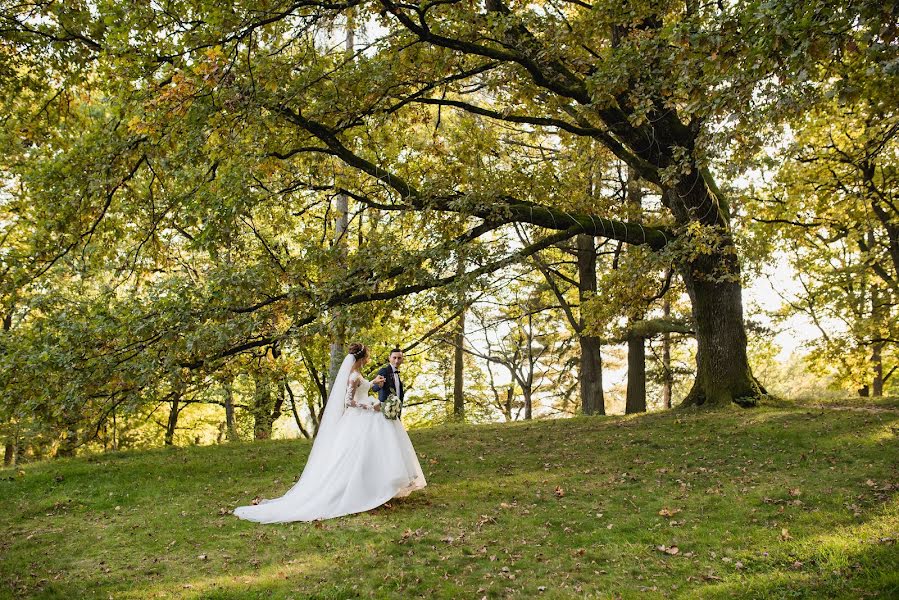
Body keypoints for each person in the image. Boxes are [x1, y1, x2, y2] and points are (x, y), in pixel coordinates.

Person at [233, 343, 426, 523]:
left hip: (367, 411)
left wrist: (373, 384)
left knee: (372, 451)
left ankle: (377, 486)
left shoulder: (357, 372)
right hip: (360, 415)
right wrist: (370, 408)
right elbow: (349, 402)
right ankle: (361, 490)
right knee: (355, 455)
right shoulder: (352, 376)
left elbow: (363, 388)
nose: (368, 358)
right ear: (361, 357)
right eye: (367, 356)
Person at [372, 347, 405, 418]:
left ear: (402, 359)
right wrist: (380, 385)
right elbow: (374, 388)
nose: (396, 361)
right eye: (394, 358)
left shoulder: (398, 375)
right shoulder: (384, 371)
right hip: (384, 411)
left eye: (399, 358)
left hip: (395, 412)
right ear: (389, 358)